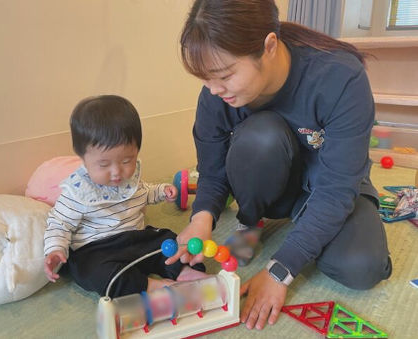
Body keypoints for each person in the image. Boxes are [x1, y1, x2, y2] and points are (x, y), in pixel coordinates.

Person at [164, 0, 392, 331]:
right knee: (262, 136)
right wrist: (202, 219)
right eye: (205, 78)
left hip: (327, 186)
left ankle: (302, 224)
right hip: (269, 177)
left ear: (269, 47)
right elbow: (212, 173)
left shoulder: (340, 78)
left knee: (362, 268)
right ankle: (251, 220)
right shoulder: (215, 95)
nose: (214, 89)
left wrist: (279, 269)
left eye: (225, 75)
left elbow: (336, 190)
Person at [43, 95, 207, 298]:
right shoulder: (78, 192)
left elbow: (142, 192)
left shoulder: (128, 178)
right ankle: (150, 286)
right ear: (83, 157)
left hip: (137, 239)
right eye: (104, 164)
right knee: (93, 272)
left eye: (127, 160)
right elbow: (59, 224)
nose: (116, 172)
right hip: (97, 250)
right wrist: (55, 249)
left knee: (171, 241)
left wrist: (161, 191)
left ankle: (183, 272)